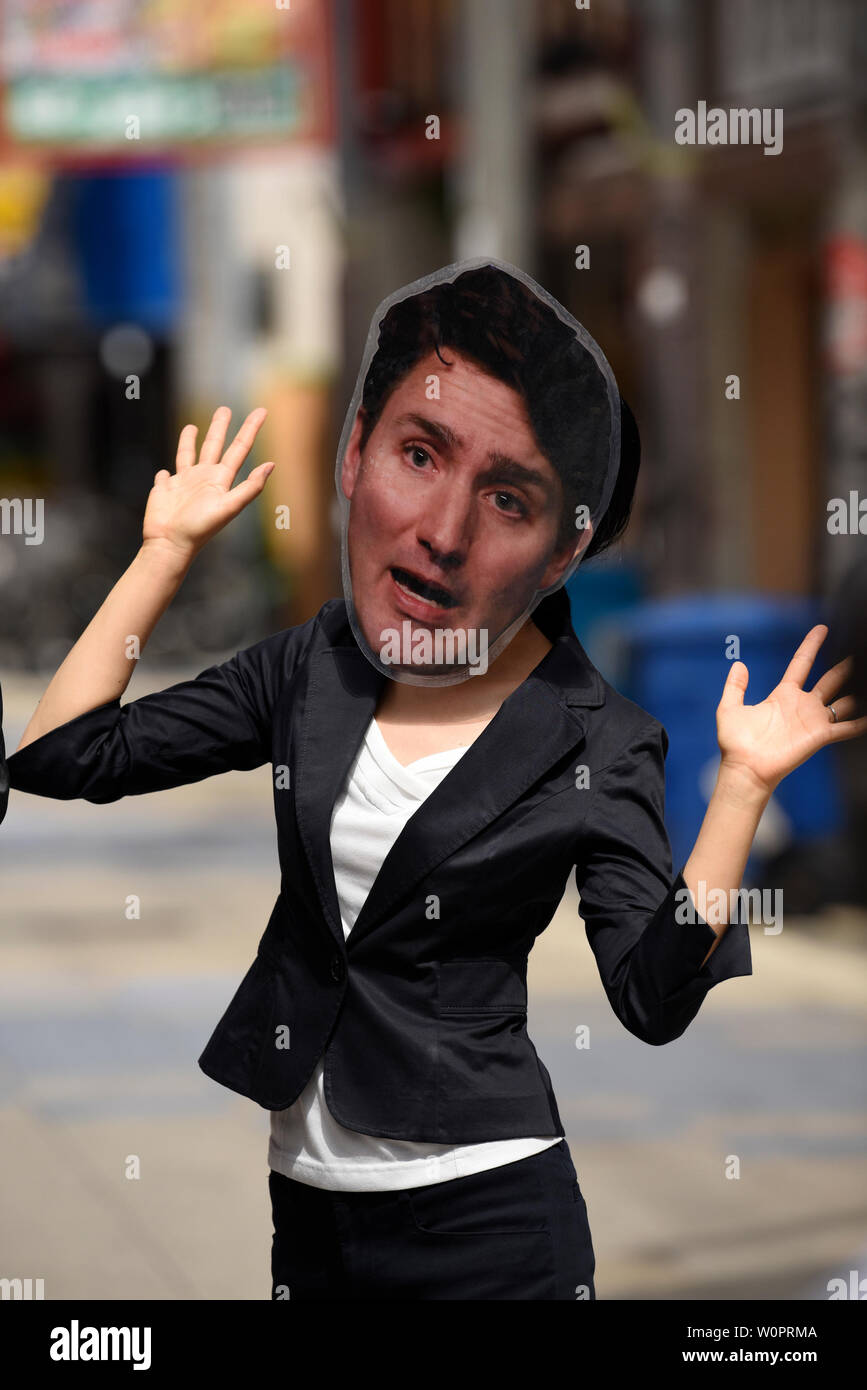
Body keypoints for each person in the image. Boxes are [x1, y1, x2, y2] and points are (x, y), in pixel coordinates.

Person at [5, 263, 865, 1302]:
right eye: (421, 453)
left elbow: (651, 997)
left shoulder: (601, 736)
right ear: (356, 450)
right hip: (310, 1200)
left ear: (564, 550)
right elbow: (62, 756)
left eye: (510, 498)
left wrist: (740, 789)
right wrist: (164, 553)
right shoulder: (309, 667)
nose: (444, 531)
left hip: (488, 1214)